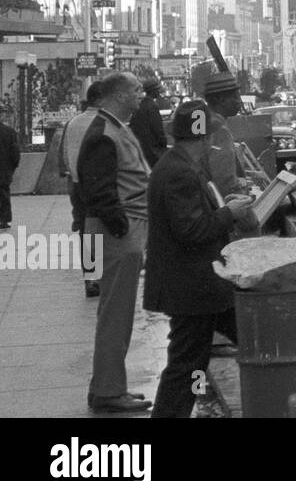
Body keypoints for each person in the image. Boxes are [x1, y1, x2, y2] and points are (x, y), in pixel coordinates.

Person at [144, 101, 258, 418]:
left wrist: (223, 207)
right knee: (186, 364)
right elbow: (191, 230)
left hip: (202, 287)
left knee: (197, 360)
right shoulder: (179, 172)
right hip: (192, 288)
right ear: (205, 137)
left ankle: (189, 407)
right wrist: (229, 213)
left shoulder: (181, 165)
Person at [77, 71, 152, 413]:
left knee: (117, 314)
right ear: (120, 95)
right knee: (115, 316)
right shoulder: (103, 133)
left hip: (121, 232)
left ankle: (109, 386)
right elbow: (97, 188)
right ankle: (108, 392)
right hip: (116, 235)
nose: (141, 96)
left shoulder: (115, 127)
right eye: (136, 90)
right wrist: (121, 228)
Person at [60, 82, 105, 297]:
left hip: (77, 186)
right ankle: (103, 277)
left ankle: (91, 278)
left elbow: (63, 156)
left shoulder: (73, 122)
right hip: (99, 186)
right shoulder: (105, 123)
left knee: (87, 233)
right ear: (99, 99)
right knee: (103, 230)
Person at [200, 72, 250, 197]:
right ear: (220, 100)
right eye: (235, 97)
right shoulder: (219, 130)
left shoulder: (203, 121)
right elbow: (225, 182)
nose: (239, 101)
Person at [129, 76, 169, 168]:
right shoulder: (152, 106)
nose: (159, 92)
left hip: (142, 151)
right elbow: (158, 130)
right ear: (154, 91)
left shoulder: (141, 106)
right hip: (153, 153)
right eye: (157, 89)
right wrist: (164, 146)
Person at [0, 116, 18, 231]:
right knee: (4, 193)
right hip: (4, 170)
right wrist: (12, 167)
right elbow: (15, 153)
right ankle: (4, 219)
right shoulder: (9, 132)